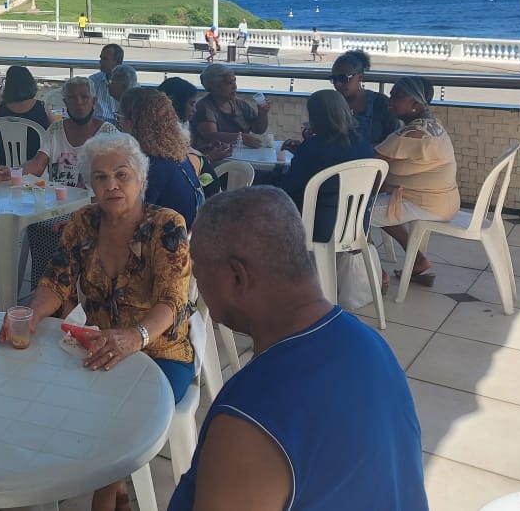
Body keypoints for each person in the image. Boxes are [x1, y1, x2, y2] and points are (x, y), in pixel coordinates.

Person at [168, 187, 427, 510]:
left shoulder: (251, 418)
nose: (196, 283)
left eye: (198, 268)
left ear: (236, 276)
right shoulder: (371, 346)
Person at [7, 132, 193, 511]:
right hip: (99, 346)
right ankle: (102, 491)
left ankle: (105, 496)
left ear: (140, 177)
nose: (111, 186)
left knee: (118, 420)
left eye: (121, 175)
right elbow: (55, 282)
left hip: (161, 351)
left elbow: (172, 302)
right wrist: (29, 315)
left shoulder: (166, 225)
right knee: (35, 393)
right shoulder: (84, 222)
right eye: (100, 177)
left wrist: (135, 336)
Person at [370, 76, 460, 286]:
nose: (390, 100)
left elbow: (371, 161)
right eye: (391, 95)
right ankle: (418, 260)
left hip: (426, 203)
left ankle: (375, 272)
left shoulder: (411, 134)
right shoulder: (431, 125)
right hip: (443, 200)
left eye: (397, 96)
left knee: (350, 213)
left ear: (416, 103)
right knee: (375, 204)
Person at [280, 90, 374, 243]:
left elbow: (288, 190)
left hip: (319, 228)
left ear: (315, 117)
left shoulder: (312, 148)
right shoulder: (363, 144)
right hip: (356, 225)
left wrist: (284, 170)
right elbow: (333, 159)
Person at [119, 87, 206, 229]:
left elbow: (130, 220)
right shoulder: (177, 156)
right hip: (190, 236)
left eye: (120, 118)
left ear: (131, 122)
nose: (120, 125)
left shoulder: (151, 165)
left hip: (169, 244)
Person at [24, 77, 116, 187]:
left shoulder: (108, 133)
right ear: (65, 102)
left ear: (94, 102)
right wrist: (11, 172)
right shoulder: (56, 129)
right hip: (59, 202)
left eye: (84, 97)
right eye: (72, 98)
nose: (79, 102)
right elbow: (37, 165)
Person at [191, 63, 270, 153]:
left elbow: (258, 130)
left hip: (240, 156)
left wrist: (263, 114)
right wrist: (240, 137)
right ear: (213, 86)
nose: (234, 87)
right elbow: (211, 136)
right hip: (215, 159)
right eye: (229, 83)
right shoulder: (204, 107)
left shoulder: (239, 104)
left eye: (234, 81)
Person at [331, 49, 400, 146]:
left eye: (344, 78)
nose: (337, 84)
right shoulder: (331, 105)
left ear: (360, 77)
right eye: (334, 79)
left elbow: (394, 140)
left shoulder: (380, 103)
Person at [0, 64, 50, 163]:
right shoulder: (41, 108)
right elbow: (56, 131)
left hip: (3, 165)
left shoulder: (0, 109)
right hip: (35, 165)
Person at [88, 43, 124, 123]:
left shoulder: (129, 84)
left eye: (105, 59)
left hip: (119, 128)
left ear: (117, 62)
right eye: (101, 58)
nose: (100, 62)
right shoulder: (93, 81)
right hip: (96, 126)